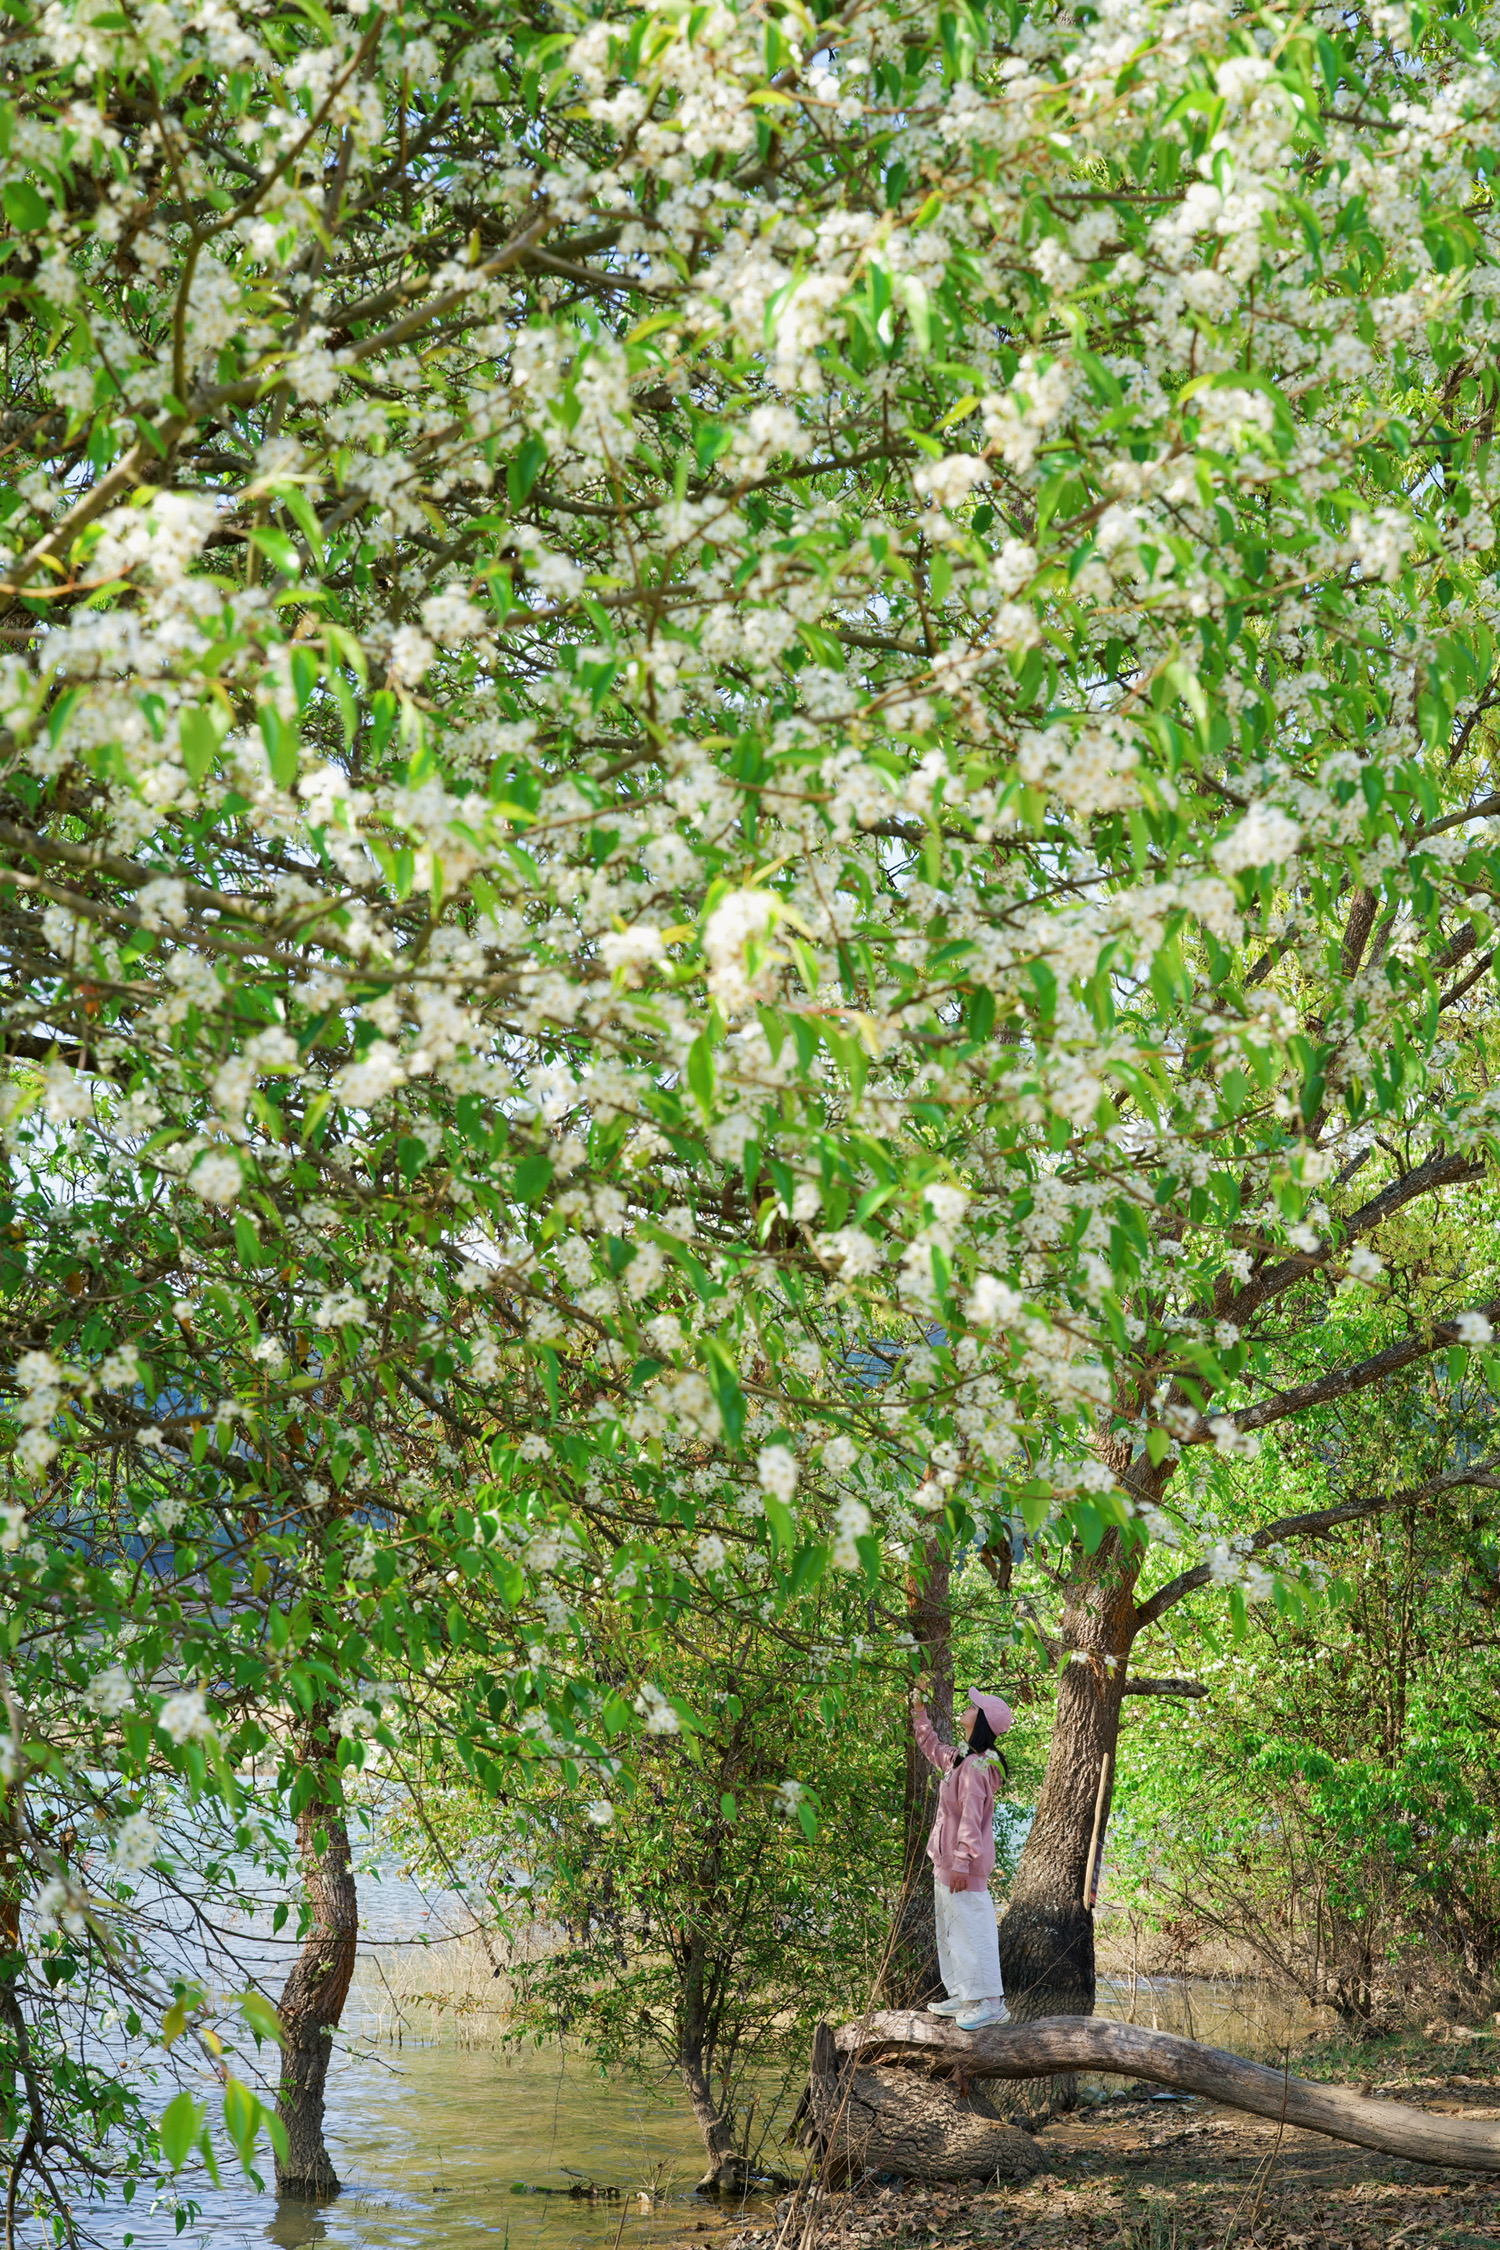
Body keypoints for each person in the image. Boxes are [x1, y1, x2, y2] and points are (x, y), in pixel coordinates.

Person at [910, 1684, 1013, 2029]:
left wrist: (961, 1863)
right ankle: (965, 1995)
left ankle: (992, 2004)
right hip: (947, 1864)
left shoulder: (977, 1767)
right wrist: (919, 1711)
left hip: (961, 1869)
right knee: (952, 1933)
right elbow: (931, 1747)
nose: (967, 1709)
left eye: (974, 1708)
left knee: (974, 1932)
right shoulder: (962, 1759)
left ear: (981, 1721)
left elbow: (971, 1817)